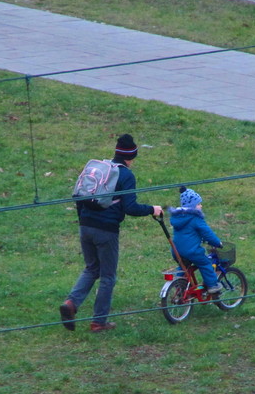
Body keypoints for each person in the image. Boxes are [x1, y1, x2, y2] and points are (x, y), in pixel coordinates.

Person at [60, 134, 163, 333]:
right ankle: (99, 322)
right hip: (106, 231)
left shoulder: (101, 169)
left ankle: (71, 304)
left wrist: (84, 221)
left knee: (91, 268)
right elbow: (130, 207)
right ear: (130, 157)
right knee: (108, 276)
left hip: (85, 226)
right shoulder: (125, 175)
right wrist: (152, 209)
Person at [169, 186, 223, 294]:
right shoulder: (195, 218)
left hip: (176, 251)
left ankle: (179, 286)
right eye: (198, 204)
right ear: (192, 206)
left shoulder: (179, 217)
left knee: (184, 267)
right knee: (205, 263)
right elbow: (207, 233)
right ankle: (212, 286)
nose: (201, 205)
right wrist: (217, 243)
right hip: (191, 251)